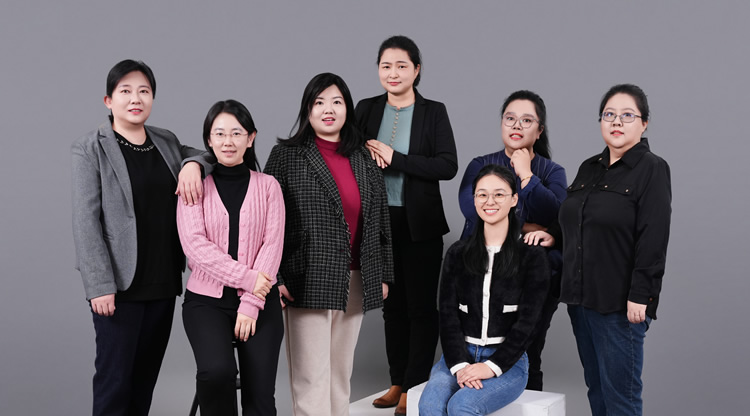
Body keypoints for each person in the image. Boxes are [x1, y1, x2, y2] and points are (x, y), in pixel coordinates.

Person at [70, 59, 209, 416]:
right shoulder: (90, 148)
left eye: (144, 91)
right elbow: (85, 220)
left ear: (152, 99)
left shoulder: (165, 140)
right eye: (126, 91)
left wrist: (192, 165)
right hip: (118, 287)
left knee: (144, 381)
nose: (136, 99)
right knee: (115, 381)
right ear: (108, 100)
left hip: (162, 281)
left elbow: (205, 155)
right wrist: (99, 285)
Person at [526, 84, 671, 416]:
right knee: (597, 389)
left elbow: (653, 236)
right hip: (581, 299)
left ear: (644, 123)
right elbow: (577, 218)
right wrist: (553, 236)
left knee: (621, 399)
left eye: (627, 115)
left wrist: (642, 295)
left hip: (620, 304)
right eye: (609, 114)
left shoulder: (652, 168)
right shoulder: (589, 167)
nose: (616, 121)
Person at [264, 72, 394, 416]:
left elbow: (380, 218)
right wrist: (276, 277)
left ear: (347, 109)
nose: (328, 109)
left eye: (337, 102)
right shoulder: (287, 156)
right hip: (306, 277)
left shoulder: (363, 157)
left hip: (357, 276)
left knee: (340, 373)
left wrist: (383, 274)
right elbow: (268, 222)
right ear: (307, 109)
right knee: (311, 376)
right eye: (319, 102)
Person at [354, 35, 458, 415]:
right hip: (378, 223)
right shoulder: (365, 109)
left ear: (417, 70)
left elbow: (447, 165)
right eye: (386, 66)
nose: (393, 73)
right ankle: (397, 381)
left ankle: (414, 387)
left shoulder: (433, 111)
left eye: (401, 66)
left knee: (420, 308)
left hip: (420, 225)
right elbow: (348, 155)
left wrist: (396, 157)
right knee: (391, 308)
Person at [176, 100, 285, 415]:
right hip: (206, 303)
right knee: (217, 374)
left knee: (261, 396)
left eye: (236, 133)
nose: (228, 141)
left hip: (261, 302)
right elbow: (195, 246)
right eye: (219, 133)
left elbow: (272, 245)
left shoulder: (269, 186)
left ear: (250, 138)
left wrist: (251, 302)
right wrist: (248, 279)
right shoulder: (194, 184)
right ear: (208, 140)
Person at [419, 165, 550, 416]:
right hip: (458, 354)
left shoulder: (532, 257)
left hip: (508, 361)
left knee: (462, 406)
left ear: (514, 199)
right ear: (474, 199)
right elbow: (448, 316)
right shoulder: (458, 253)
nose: (490, 201)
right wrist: (460, 365)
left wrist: (491, 366)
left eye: (499, 194)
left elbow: (530, 323)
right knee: (430, 406)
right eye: (482, 194)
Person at [458, 90, 566, 390]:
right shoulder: (480, 164)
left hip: (536, 273)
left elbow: (559, 217)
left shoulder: (552, 171)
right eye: (510, 118)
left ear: (539, 130)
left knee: (528, 352)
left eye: (527, 120)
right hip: (482, 270)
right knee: (476, 350)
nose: (517, 125)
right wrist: (525, 225)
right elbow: (472, 209)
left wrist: (527, 175)